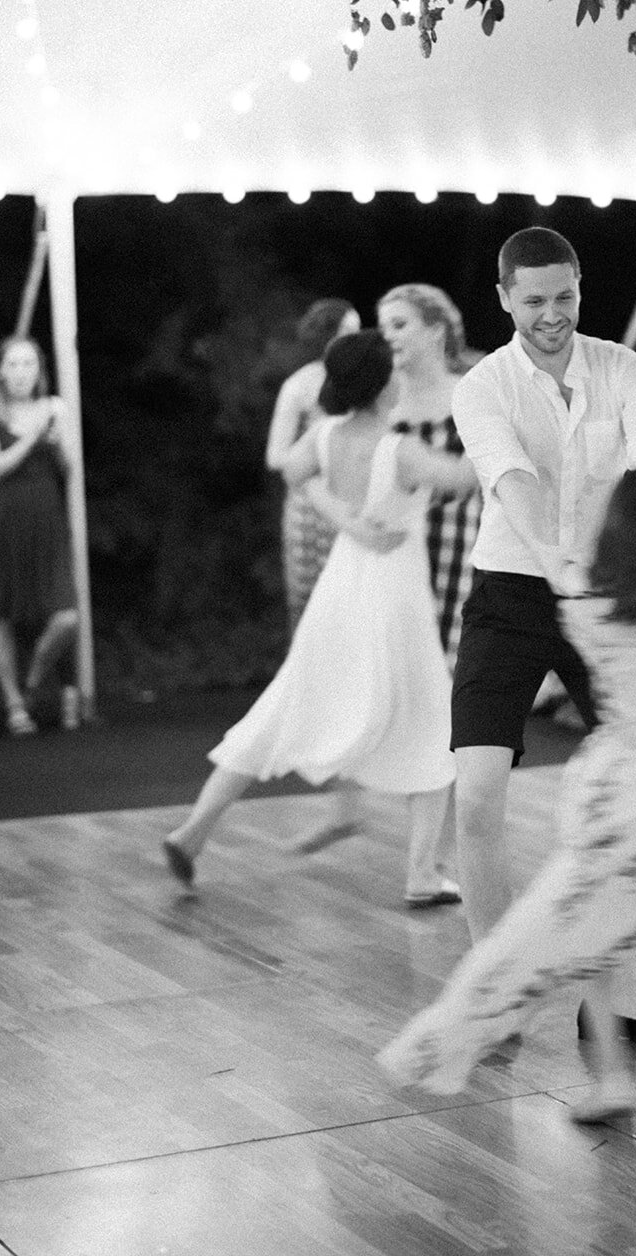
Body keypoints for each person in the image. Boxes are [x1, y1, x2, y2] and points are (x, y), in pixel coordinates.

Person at [378, 470, 636, 1121]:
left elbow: (558, 558)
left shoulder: (587, 613)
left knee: (589, 925)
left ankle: (608, 1078)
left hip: (631, 793)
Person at [449, 226, 636, 1048]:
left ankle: (615, 1004)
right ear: (503, 299)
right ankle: (495, 993)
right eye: (534, 301)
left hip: (604, 598)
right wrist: (555, 561)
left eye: (564, 297)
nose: (553, 314)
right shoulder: (483, 388)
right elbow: (514, 480)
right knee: (477, 794)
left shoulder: (625, 369)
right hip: (512, 589)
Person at [162, 330, 478, 903]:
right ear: (386, 383)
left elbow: (291, 473)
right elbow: (463, 478)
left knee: (286, 707)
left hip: (340, 592)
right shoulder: (400, 450)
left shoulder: (325, 434)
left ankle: (193, 831)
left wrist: (341, 514)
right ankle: (421, 874)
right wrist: (494, 421)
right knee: (435, 722)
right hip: (392, 599)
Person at [377, 284, 481, 670]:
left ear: (436, 330)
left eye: (399, 324)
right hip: (397, 555)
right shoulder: (381, 404)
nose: (387, 335)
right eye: (383, 327)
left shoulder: (472, 394)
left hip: (463, 552)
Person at [0, 336, 79, 735]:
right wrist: (32, 437)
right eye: (14, 365)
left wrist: (55, 444)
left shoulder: (54, 408)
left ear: (39, 370)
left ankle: (35, 676)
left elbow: (69, 466)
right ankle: (14, 703)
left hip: (46, 520)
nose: (22, 373)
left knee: (66, 616)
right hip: (2, 520)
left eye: (29, 365)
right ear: (1, 372)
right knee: (0, 612)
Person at [265, 298, 362, 633]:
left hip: (356, 502)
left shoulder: (365, 383)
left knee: (355, 602)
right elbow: (276, 456)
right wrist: (321, 450)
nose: (357, 338)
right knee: (308, 606)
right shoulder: (300, 385)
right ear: (328, 337)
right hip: (310, 507)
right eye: (349, 331)